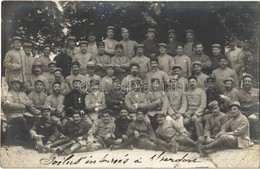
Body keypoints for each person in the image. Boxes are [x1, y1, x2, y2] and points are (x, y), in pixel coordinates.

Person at [6, 78, 33, 145]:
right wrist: (23, 106)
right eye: (14, 84)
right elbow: (10, 105)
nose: (16, 86)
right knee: (22, 120)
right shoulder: (8, 94)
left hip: (23, 114)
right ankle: (22, 138)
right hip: (12, 115)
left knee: (35, 119)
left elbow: (29, 104)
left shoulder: (23, 94)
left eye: (18, 84)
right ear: (11, 85)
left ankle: (33, 138)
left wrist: (20, 101)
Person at [236, 74, 259, 141]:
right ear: (243, 82)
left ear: (252, 83)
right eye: (245, 81)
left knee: (252, 118)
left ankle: (255, 138)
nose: (247, 83)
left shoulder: (257, 91)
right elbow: (236, 104)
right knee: (239, 119)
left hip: (255, 112)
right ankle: (242, 138)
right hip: (243, 112)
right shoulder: (238, 93)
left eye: (249, 81)